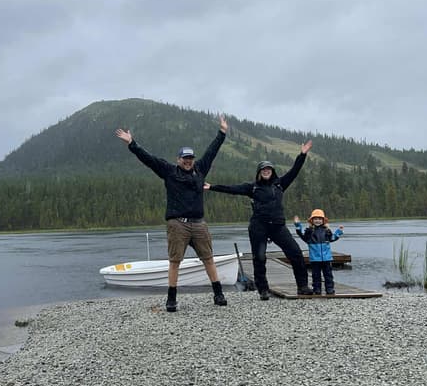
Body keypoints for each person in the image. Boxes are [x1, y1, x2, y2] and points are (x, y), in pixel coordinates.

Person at [114, 116, 229, 313]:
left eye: (190, 158)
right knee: (175, 262)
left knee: (208, 258)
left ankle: (218, 294)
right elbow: (149, 160)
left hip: (199, 223)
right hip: (178, 224)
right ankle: (172, 299)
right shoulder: (168, 171)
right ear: (179, 159)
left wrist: (222, 133)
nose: (188, 161)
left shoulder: (200, 170)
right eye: (185, 159)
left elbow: (212, 152)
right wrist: (132, 144)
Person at [205, 141, 314, 300]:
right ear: (259, 172)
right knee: (259, 257)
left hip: (278, 227)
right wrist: (213, 187)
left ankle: (303, 286)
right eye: (263, 169)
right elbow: (233, 189)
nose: (266, 171)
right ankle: (263, 290)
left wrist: (302, 154)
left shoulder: (280, 184)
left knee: (296, 253)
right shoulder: (252, 187)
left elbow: (295, 171)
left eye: (268, 169)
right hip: (259, 227)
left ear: (272, 171)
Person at [294, 209, 343, 295]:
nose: (318, 221)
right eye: (315, 219)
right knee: (316, 276)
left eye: (320, 219)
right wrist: (298, 225)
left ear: (323, 220)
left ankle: (330, 289)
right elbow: (302, 235)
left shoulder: (327, 230)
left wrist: (338, 232)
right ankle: (317, 289)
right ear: (312, 220)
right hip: (315, 258)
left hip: (326, 258)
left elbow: (332, 238)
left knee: (328, 275)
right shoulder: (309, 231)